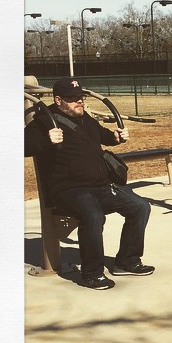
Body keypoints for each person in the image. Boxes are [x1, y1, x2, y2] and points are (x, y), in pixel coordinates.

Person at [24, 77, 153, 290]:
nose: (79, 102)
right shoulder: (45, 120)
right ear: (58, 100)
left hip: (100, 186)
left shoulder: (85, 119)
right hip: (67, 190)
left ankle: (127, 261)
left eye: (80, 97)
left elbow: (103, 135)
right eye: (72, 98)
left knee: (140, 207)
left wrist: (116, 136)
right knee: (93, 216)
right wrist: (46, 140)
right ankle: (92, 273)